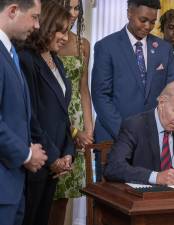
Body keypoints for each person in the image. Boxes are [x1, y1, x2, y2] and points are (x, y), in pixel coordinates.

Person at [18, 2, 75, 225]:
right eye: (61, 30)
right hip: (36, 159)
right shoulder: (26, 59)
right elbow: (30, 115)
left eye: (67, 31)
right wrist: (52, 157)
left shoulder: (57, 62)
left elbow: (63, 114)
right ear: (46, 27)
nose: (65, 37)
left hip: (56, 162)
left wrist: (68, 153)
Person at [91, 0, 174, 143]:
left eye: (152, 22)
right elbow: (101, 96)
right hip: (114, 137)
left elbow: (171, 93)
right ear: (129, 12)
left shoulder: (164, 49)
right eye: (143, 20)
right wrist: (126, 135)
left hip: (153, 138)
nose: (148, 26)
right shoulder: (106, 47)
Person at [0, 1, 47, 225]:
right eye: (34, 17)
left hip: (12, 187)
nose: (37, 26)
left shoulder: (11, 53)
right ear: (12, 11)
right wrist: (26, 154)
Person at [48, 0, 93, 225]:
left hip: (77, 123)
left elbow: (84, 89)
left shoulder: (83, 44)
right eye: (69, 8)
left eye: (77, 9)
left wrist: (89, 129)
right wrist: (74, 131)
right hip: (55, 122)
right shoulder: (44, 43)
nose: (73, 14)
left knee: (64, 196)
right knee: (47, 193)